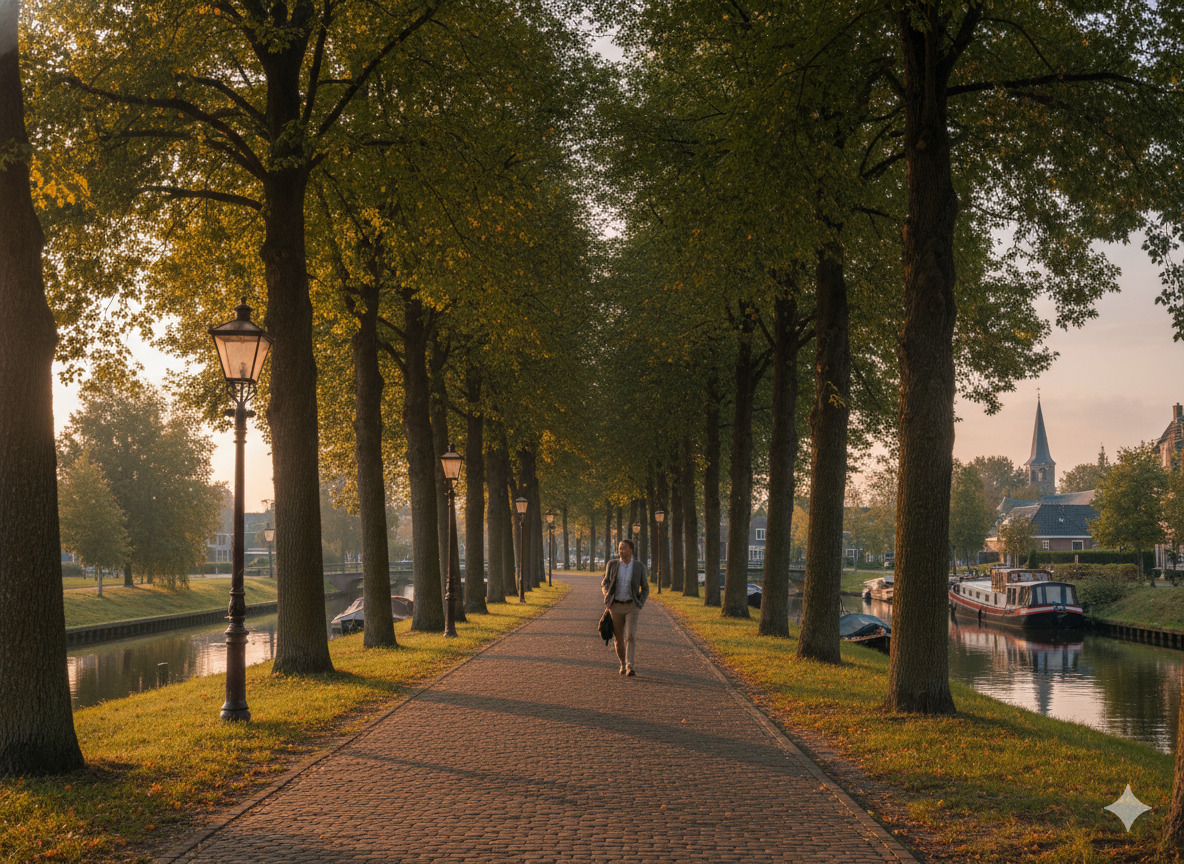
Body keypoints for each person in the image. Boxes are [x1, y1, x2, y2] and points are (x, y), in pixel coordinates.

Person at [602, 538, 649, 676]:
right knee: (619, 639)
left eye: (624, 548)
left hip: (632, 606)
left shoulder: (639, 567)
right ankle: (622, 663)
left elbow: (645, 588)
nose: (621, 551)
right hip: (615, 606)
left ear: (631, 550)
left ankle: (630, 666)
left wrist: (639, 603)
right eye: (619, 548)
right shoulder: (612, 564)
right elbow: (605, 582)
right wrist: (607, 596)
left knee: (630, 636)